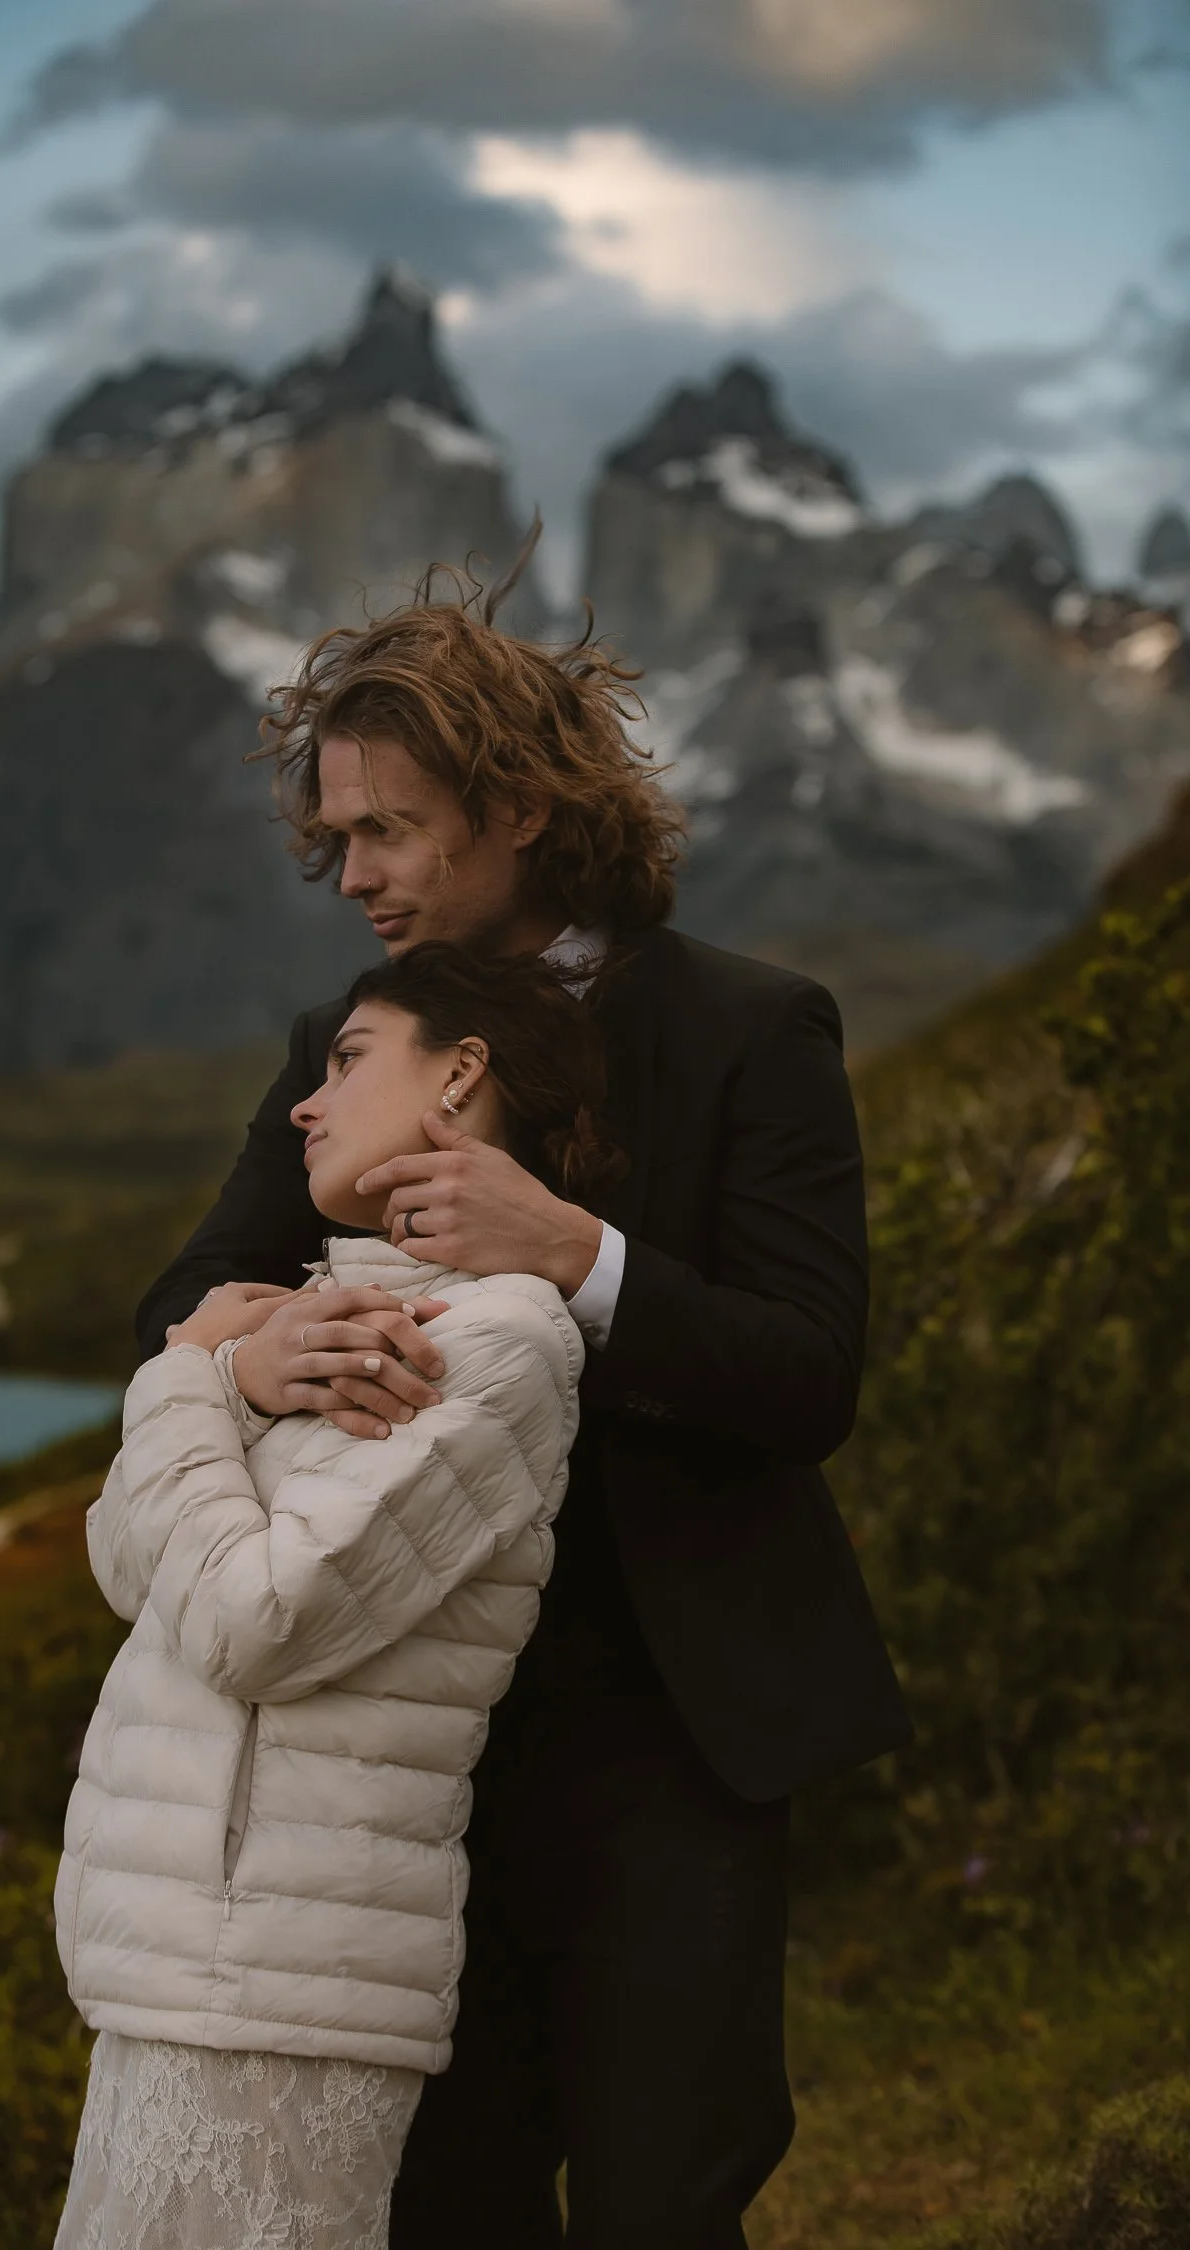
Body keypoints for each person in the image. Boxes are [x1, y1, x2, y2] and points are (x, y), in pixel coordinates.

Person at [135, 577, 913, 2248]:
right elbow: (182, 1299)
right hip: (399, 1758)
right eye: (338, 837)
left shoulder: (750, 1028)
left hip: (670, 1733)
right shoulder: (336, 1044)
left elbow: (810, 1374)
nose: (354, 878)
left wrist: (584, 1260)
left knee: (661, 2196)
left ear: (522, 808)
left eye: (391, 831)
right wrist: (244, 1357)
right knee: (439, 2205)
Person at [53, 941, 623, 2250]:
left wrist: (183, 1381)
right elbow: (121, 1561)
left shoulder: (495, 1341)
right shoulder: (315, 1316)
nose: (306, 1103)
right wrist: (231, 1374)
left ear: (463, 1075)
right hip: (179, 1953)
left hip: (287, 1975)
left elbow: (258, 1623)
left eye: (349, 1059)